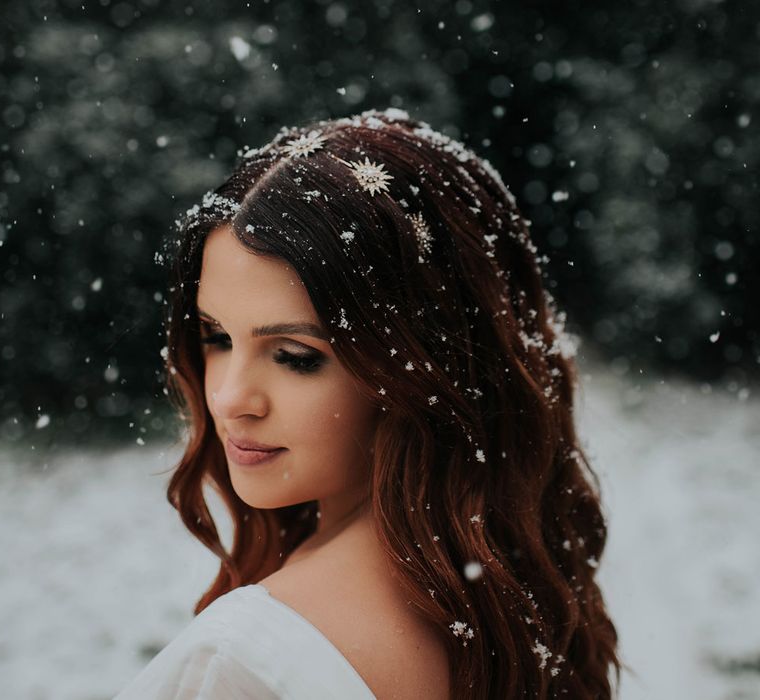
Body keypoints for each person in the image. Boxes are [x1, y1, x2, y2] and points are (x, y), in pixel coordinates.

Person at [115, 108, 621, 699]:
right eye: (217, 338)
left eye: (296, 356)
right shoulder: (506, 594)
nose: (231, 398)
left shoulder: (243, 662)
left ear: (423, 367)